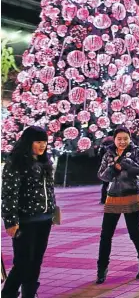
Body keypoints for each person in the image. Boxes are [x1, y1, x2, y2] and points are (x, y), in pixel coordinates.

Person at [1, 126, 56, 298]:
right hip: (25, 221)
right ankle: (8, 294)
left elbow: (49, 191)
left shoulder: (44, 162)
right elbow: (9, 194)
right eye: (38, 142)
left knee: (36, 261)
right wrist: (10, 221)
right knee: (23, 262)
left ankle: (29, 294)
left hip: (44, 219)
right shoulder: (16, 162)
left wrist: (53, 211)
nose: (42, 146)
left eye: (44, 142)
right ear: (28, 142)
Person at [95, 127, 139, 284]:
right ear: (114, 139)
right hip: (113, 197)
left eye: (125, 138)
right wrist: (113, 168)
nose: (122, 141)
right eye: (119, 138)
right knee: (106, 235)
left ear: (129, 138)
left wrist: (127, 164)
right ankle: (101, 269)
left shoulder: (135, 152)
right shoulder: (109, 153)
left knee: (134, 232)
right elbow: (102, 175)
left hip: (131, 196)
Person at [99, 136, 114, 204]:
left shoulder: (102, 149)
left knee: (105, 184)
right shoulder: (113, 148)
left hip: (105, 168)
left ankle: (103, 199)